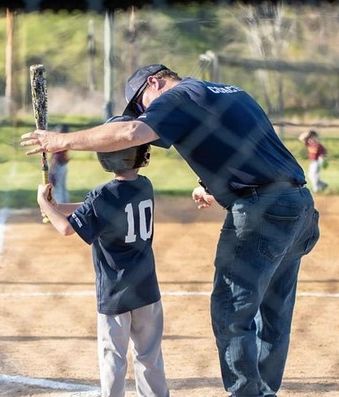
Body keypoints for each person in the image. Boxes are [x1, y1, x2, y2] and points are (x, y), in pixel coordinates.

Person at [22, 64, 320, 397]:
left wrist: (59, 141)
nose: (145, 113)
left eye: (141, 104)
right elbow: (250, 148)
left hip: (260, 213)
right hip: (298, 206)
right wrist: (211, 184)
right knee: (274, 314)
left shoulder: (178, 96)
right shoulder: (231, 92)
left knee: (230, 311)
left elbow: (132, 134)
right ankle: (264, 391)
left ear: (155, 82)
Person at [37, 115, 169, 397]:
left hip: (115, 292)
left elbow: (66, 229)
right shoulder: (145, 186)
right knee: (149, 356)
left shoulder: (103, 195)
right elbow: (93, 209)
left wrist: (44, 204)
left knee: (114, 358)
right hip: (147, 289)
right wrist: (57, 205)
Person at [49, 124, 70, 203]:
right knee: (62, 187)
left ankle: (60, 205)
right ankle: (65, 205)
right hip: (63, 166)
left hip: (58, 166)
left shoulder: (59, 141)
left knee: (58, 188)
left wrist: (52, 168)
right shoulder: (66, 141)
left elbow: (56, 157)